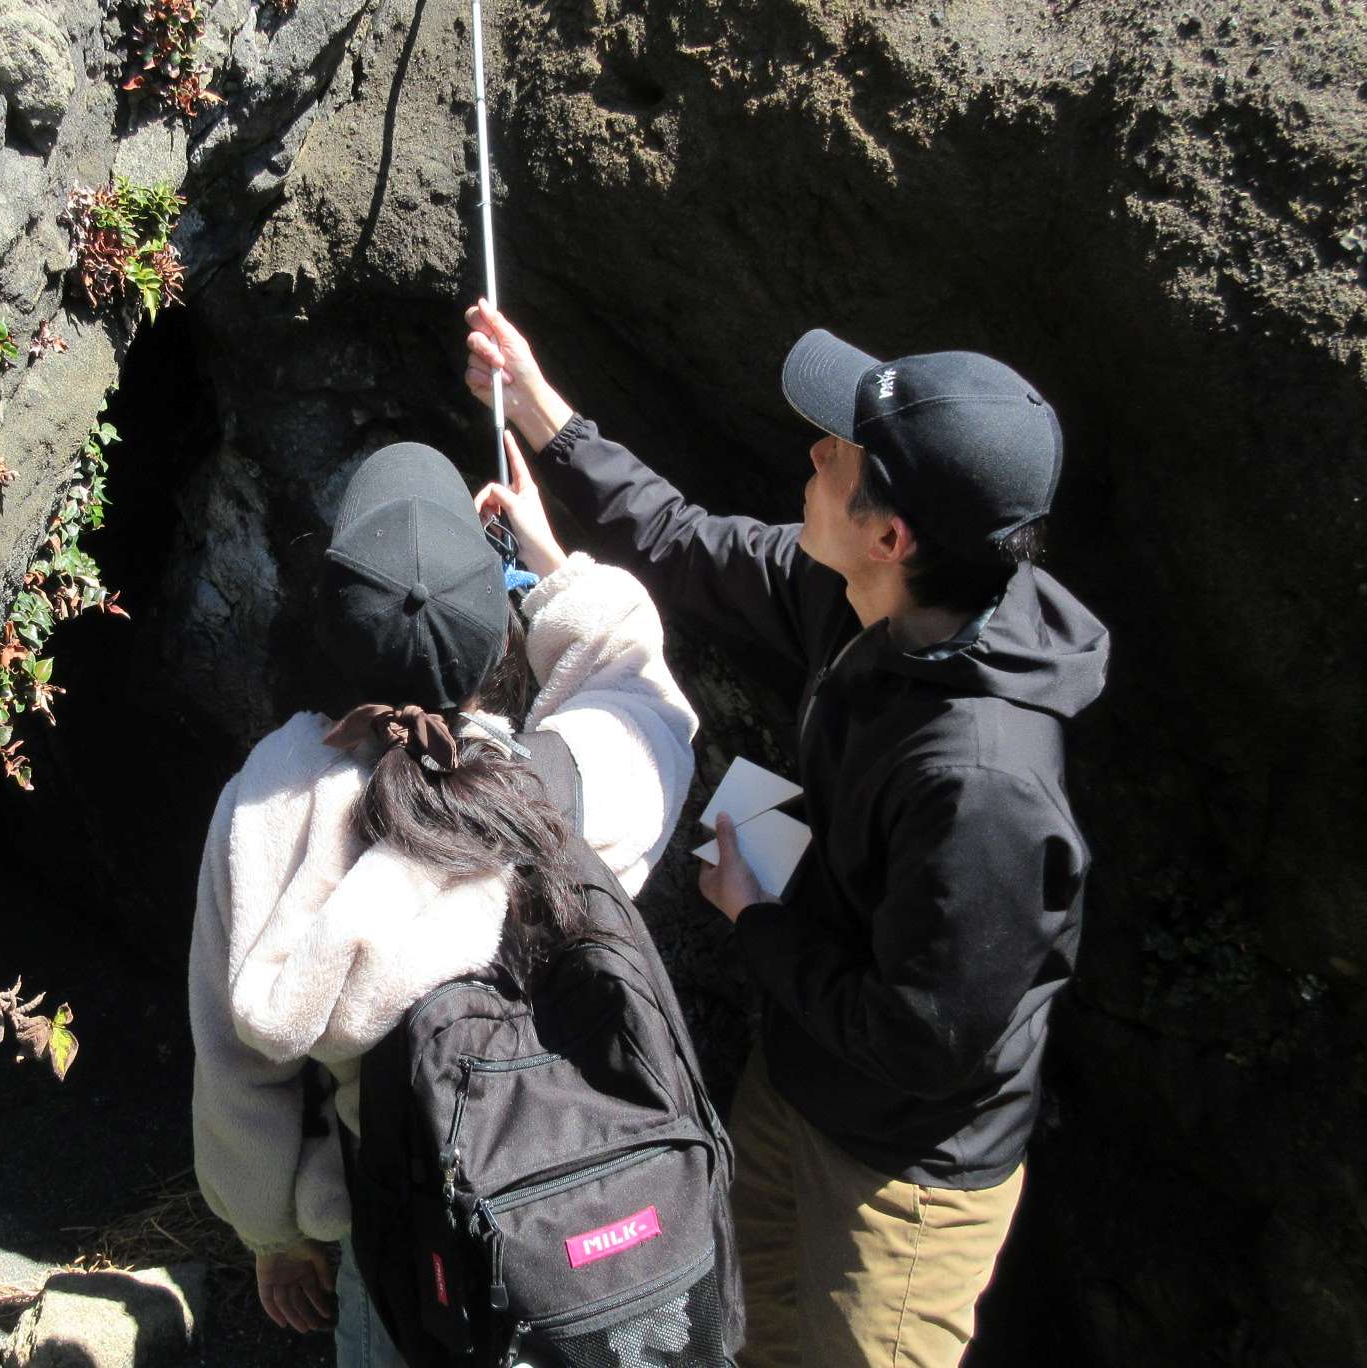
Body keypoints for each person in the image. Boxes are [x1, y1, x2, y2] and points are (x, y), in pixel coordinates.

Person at [462, 302, 1110, 1368]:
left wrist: (755, 921)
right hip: (796, 1076)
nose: (811, 452)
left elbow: (925, 1042)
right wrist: (538, 416)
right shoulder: (866, 601)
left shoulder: (982, 787)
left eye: (840, 450)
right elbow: (681, 542)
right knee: (747, 1333)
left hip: (903, 1176)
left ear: (889, 534)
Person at [188, 439, 702, 1365]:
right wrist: (547, 560)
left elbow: (240, 1071)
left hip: (402, 1219)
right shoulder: (562, 788)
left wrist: (277, 1234)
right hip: (580, 1210)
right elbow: (647, 695)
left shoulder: (274, 803)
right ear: (495, 630)